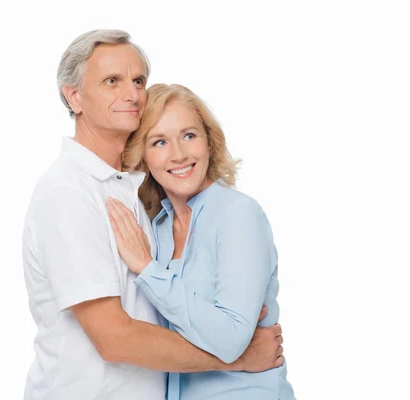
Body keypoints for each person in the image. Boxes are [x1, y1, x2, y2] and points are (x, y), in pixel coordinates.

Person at [22, 29, 284, 400]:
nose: (131, 94)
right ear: (74, 96)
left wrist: (228, 333)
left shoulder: (137, 198)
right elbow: (115, 338)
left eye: (138, 81)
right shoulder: (69, 194)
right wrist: (237, 355)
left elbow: (175, 314)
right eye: (112, 81)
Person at [106, 83, 296, 399]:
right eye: (160, 142)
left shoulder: (237, 215)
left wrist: (147, 269)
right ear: (143, 156)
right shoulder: (158, 228)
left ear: (208, 141)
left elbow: (229, 340)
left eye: (189, 135)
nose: (178, 154)